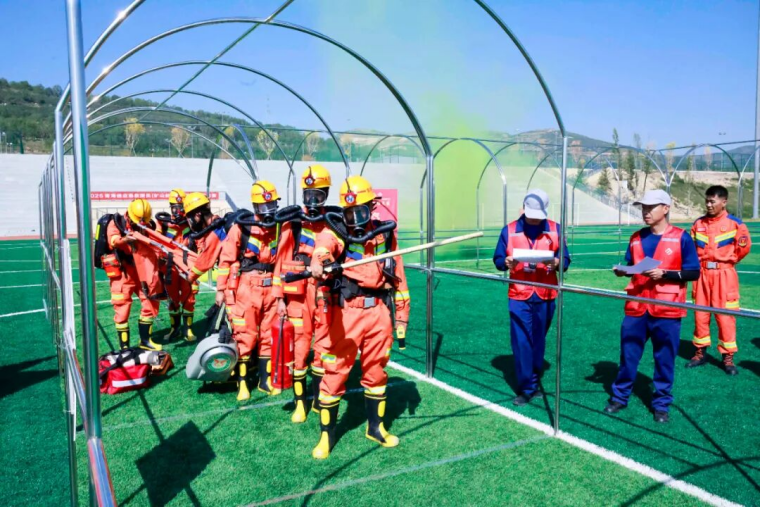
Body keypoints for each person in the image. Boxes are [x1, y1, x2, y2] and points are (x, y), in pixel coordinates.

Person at [309, 175, 410, 460]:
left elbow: (399, 275)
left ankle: (375, 428)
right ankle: (326, 436)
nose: (355, 218)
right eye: (350, 212)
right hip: (346, 312)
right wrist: (321, 261)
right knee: (334, 372)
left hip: (379, 311)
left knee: (377, 371)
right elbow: (323, 247)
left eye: (361, 212)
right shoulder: (336, 230)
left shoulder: (385, 234)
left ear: (372, 207)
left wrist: (402, 316)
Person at [606, 190, 700, 423]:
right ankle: (619, 397)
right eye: (643, 208)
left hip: (666, 308)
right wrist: (622, 271)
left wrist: (665, 274)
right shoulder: (636, 237)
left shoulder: (681, 237)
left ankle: (661, 404)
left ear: (666, 208)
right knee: (628, 355)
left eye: (650, 207)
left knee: (665, 358)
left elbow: (693, 272)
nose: (645, 212)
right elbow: (631, 265)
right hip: (636, 306)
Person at [493, 188, 570, 406]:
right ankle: (526, 388)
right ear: (524, 209)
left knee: (538, 341)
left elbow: (565, 260)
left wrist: (557, 262)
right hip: (519, 295)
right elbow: (498, 259)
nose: (534, 220)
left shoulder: (555, 229)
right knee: (522, 342)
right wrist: (505, 262)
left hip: (546, 295)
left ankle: (533, 381)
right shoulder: (509, 230)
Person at [274, 164, 335, 423]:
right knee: (299, 349)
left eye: (317, 195)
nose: (312, 201)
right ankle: (301, 404)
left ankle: (320, 398)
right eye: (308, 195)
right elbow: (280, 262)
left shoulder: (334, 221)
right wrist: (279, 298)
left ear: (326, 195)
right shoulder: (293, 223)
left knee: (324, 347)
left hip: (324, 293)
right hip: (297, 295)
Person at [218, 181, 282, 401]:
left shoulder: (279, 227)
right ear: (255, 207)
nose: (268, 210)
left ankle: (265, 380)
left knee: (268, 334)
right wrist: (221, 290)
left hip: (271, 285)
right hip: (247, 286)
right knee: (245, 335)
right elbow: (226, 260)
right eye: (264, 206)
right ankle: (243, 383)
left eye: (271, 205)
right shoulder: (241, 227)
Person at [687, 185, 751, 375]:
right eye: (707, 201)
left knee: (725, 317)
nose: (708, 205)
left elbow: (743, 248)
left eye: (712, 201)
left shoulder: (735, 224)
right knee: (700, 315)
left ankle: (727, 357)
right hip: (701, 276)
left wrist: (726, 263)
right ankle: (700, 353)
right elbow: (691, 248)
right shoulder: (698, 224)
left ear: (724, 202)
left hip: (724, 276)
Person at [106, 198, 162, 351]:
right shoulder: (116, 222)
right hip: (124, 272)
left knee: (150, 301)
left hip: (142, 270)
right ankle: (124, 348)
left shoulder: (148, 224)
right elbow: (113, 240)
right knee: (122, 307)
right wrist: (124, 240)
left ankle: (145, 341)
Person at [158, 188, 198, 342]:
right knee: (173, 298)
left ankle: (188, 329)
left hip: (187, 265)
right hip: (170, 266)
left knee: (189, 297)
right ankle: (174, 329)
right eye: (174, 208)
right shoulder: (164, 223)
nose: (178, 211)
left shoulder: (191, 222)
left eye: (180, 207)